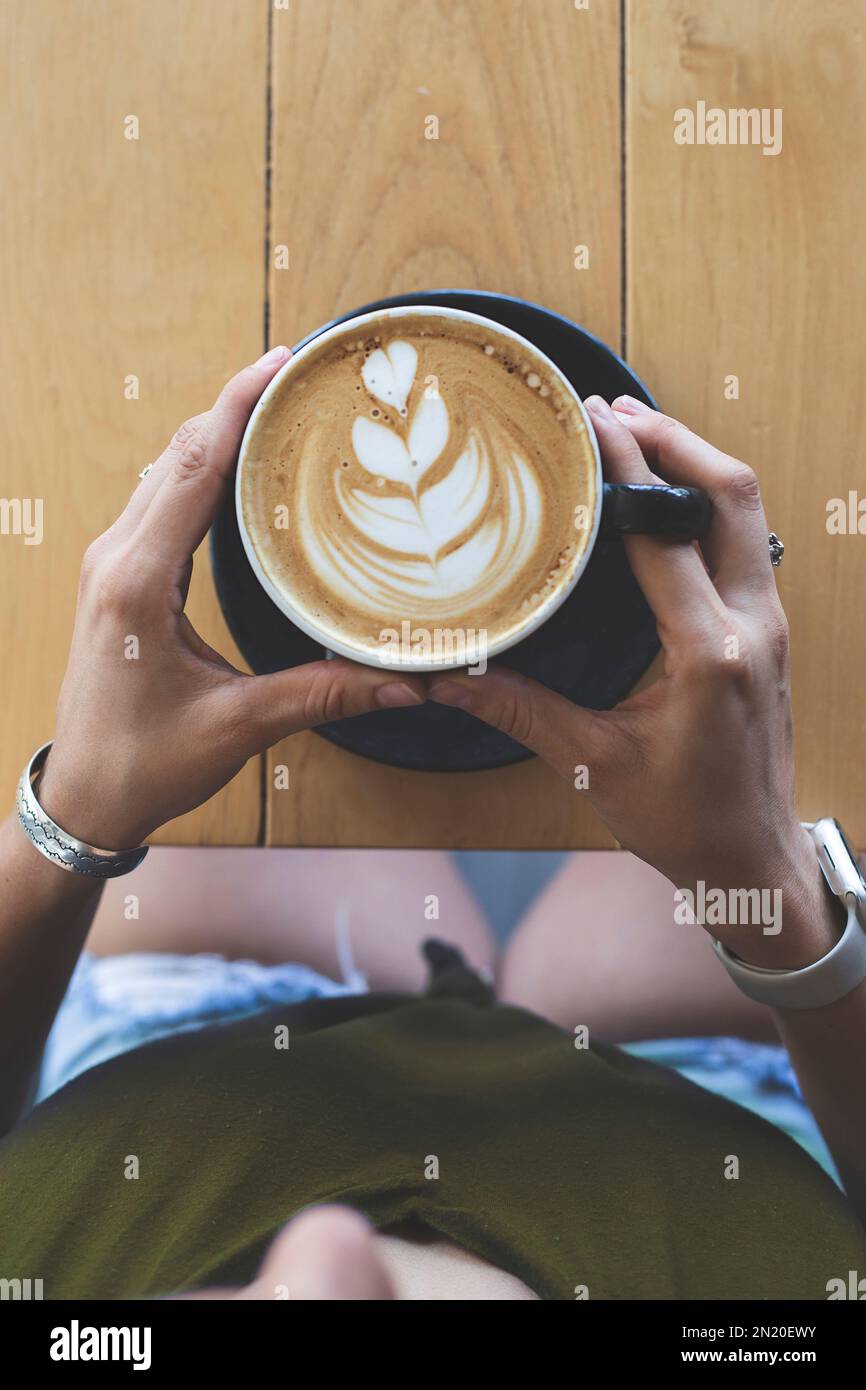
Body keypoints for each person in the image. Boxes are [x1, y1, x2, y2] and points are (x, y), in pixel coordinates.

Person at [0, 350, 863, 1300]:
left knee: (255, 852)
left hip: (193, 1039)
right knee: (638, 925)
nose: (323, 1254)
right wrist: (770, 891)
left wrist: (73, 824)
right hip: (709, 1089)